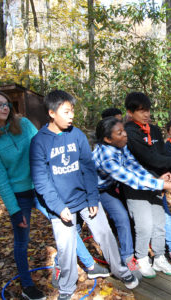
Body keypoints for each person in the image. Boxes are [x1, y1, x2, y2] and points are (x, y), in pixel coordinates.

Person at [30, 90, 138, 299]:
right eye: (66, 111)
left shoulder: (77, 135)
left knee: (105, 234)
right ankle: (66, 290)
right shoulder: (39, 141)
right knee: (66, 248)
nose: (71, 116)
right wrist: (59, 208)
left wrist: (92, 198)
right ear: (52, 113)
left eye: (72, 111)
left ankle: (120, 270)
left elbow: (88, 169)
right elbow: (40, 179)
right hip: (59, 206)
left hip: (85, 199)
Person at [0, 91, 47, 300]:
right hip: (20, 196)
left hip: (41, 188)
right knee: (21, 242)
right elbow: (1, 181)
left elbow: (42, 145)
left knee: (63, 222)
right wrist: (14, 211)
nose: (5, 108)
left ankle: (88, 263)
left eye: (6, 104)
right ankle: (27, 286)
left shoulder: (23, 124)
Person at [92, 116, 171, 276]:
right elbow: (132, 179)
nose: (125, 135)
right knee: (121, 220)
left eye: (124, 131)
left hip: (113, 185)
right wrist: (167, 185)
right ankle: (129, 259)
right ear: (107, 138)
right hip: (94, 191)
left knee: (146, 219)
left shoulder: (120, 145)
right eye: (119, 133)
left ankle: (152, 258)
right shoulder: (106, 156)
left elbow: (135, 168)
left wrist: (155, 180)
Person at [122, 92, 171, 278]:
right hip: (137, 186)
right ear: (130, 112)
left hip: (159, 183)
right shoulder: (129, 132)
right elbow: (146, 158)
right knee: (143, 225)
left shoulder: (155, 130)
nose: (146, 114)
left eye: (147, 110)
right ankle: (142, 258)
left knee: (159, 222)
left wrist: (166, 174)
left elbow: (161, 156)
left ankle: (159, 257)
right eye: (141, 111)